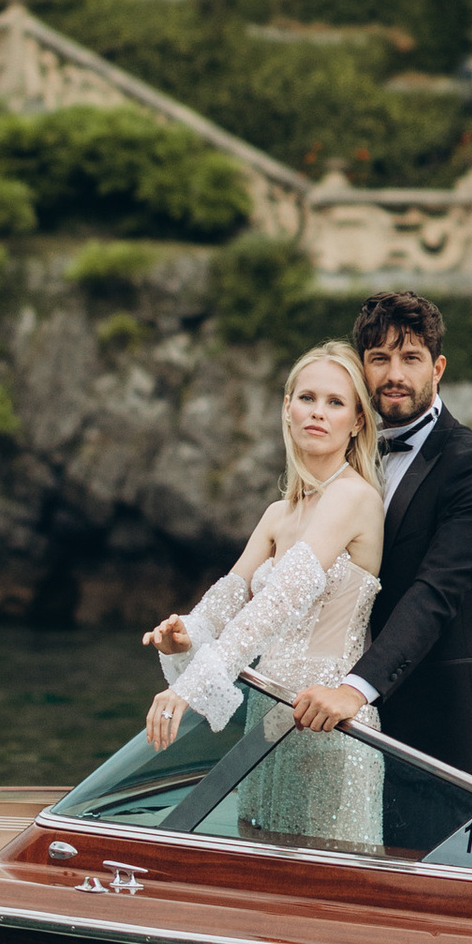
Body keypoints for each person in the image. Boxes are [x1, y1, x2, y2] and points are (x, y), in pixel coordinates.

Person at [289, 288, 472, 849]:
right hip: (337, 723)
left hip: (441, 731)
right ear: (361, 367)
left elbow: (434, 594)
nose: (395, 374)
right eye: (380, 358)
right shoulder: (341, 458)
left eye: (411, 358)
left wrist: (355, 688)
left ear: (437, 369)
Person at [142, 343, 385, 846]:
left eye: (335, 402)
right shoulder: (278, 514)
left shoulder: (354, 496)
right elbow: (226, 603)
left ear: (358, 422)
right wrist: (183, 636)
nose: (318, 412)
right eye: (307, 397)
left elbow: (279, 602)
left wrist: (189, 690)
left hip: (331, 728)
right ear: (287, 409)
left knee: (324, 892)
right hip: (268, 728)